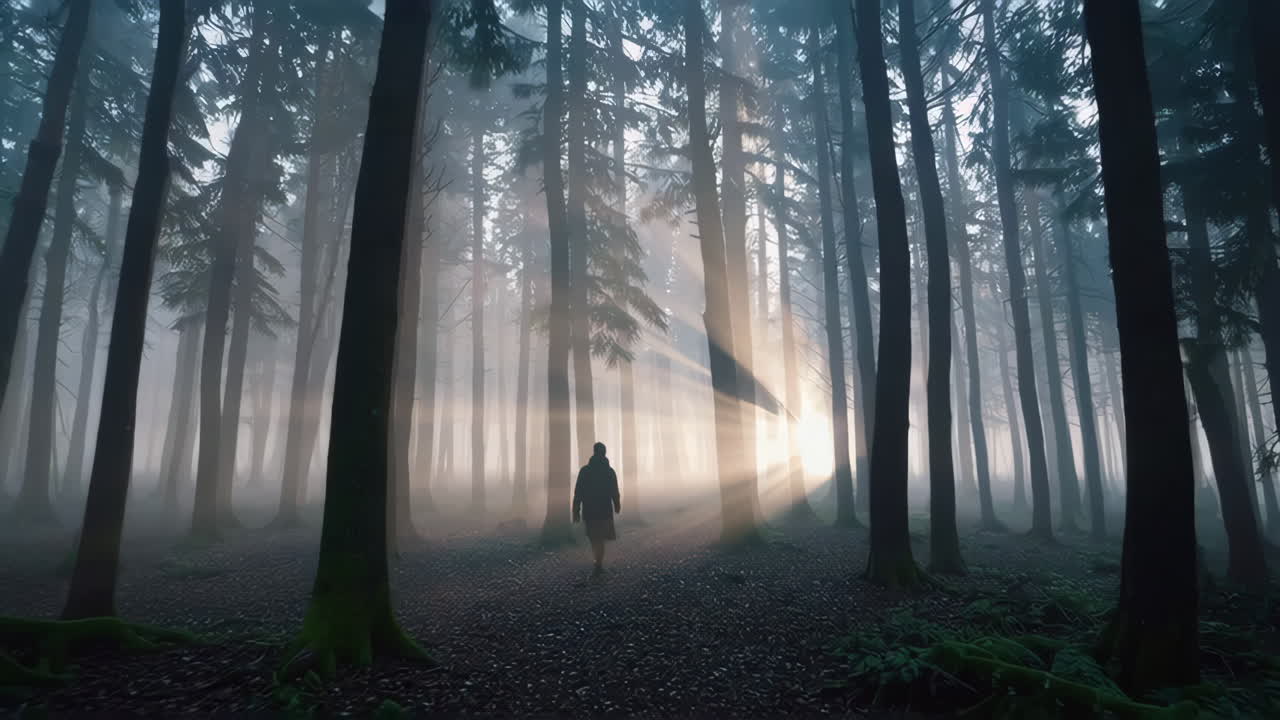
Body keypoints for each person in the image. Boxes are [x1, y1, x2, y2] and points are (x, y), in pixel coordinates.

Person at [572, 442, 621, 575]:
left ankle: (597, 562)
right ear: (604, 453)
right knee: (600, 538)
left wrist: (576, 510)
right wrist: (617, 505)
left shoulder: (585, 471)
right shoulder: (609, 471)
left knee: (594, 537)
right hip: (605, 510)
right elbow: (614, 490)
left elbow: (578, 492)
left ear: (594, 452)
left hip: (590, 510)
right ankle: (598, 562)